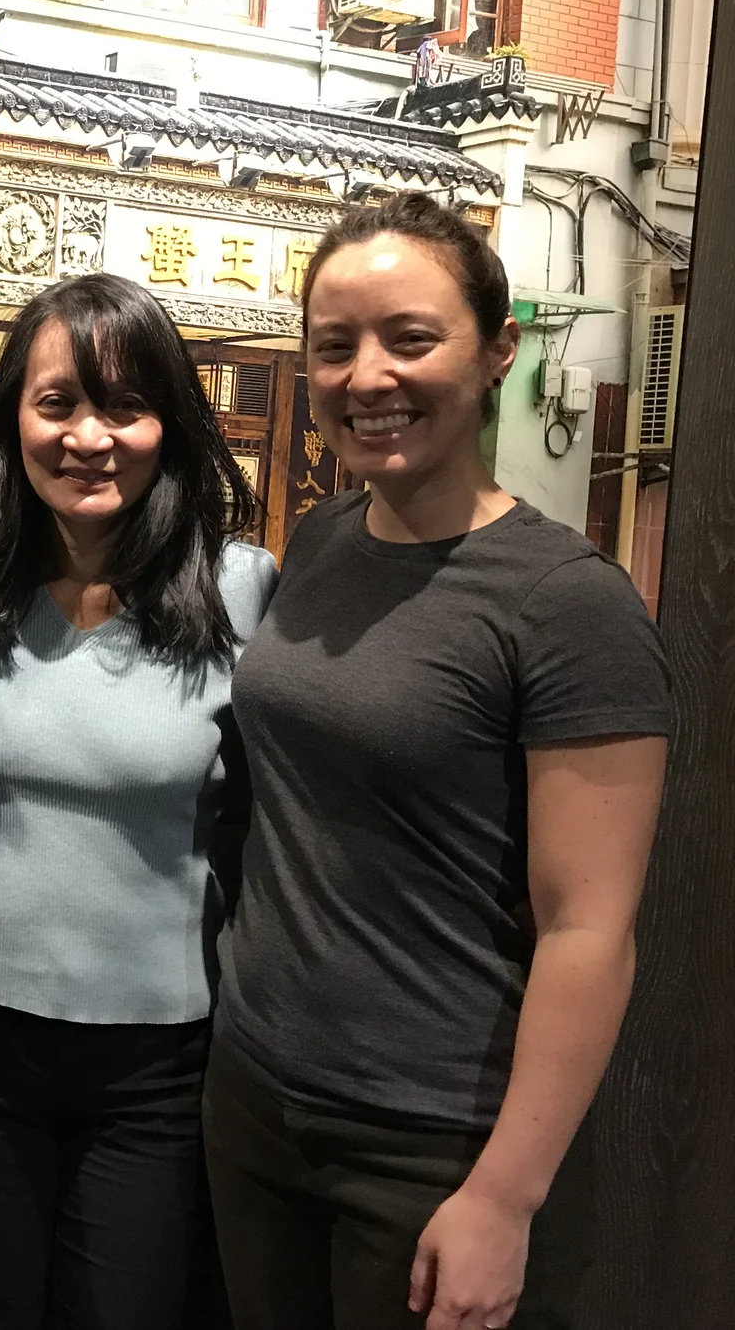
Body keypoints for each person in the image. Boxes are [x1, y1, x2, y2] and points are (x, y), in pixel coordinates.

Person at [205, 193, 673, 1330]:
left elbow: (586, 931)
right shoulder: (317, 539)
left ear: (496, 349)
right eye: (334, 345)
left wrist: (503, 1197)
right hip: (257, 1097)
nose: (367, 376)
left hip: (430, 1143)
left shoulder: (565, 604)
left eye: (408, 338)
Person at [0, 273, 277, 1329]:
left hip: (155, 1059)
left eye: (123, 407)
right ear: (11, 415)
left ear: (170, 425)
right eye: (56, 404)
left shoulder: (244, 587)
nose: (87, 437)